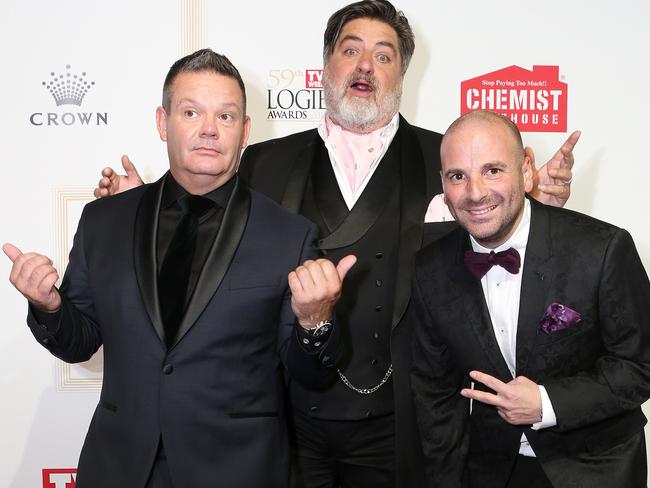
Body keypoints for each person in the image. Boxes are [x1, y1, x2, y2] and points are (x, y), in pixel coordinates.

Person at [92, 2, 579, 486]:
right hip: (284, 418)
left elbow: (494, 230)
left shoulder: (447, 157)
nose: (366, 65)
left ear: (403, 73)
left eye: (384, 55)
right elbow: (202, 236)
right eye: (351, 50)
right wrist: (144, 213)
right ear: (326, 65)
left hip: (405, 418)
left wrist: (529, 201)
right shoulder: (261, 161)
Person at [4, 49, 357, 488]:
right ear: (162, 121)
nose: (210, 129)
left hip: (236, 470)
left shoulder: (288, 236)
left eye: (226, 117)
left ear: (245, 131)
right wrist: (49, 305)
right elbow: (80, 342)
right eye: (191, 112)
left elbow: (311, 375)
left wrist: (316, 321)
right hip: (120, 466)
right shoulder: (105, 220)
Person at [409, 109, 650, 488]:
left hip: (594, 469)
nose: (475, 193)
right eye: (458, 176)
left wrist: (547, 403)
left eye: (493, 170)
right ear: (443, 183)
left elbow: (640, 367)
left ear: (525, 169)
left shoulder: (601, 249)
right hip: (491, 471)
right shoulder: (429, 269)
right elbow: (435, 397)